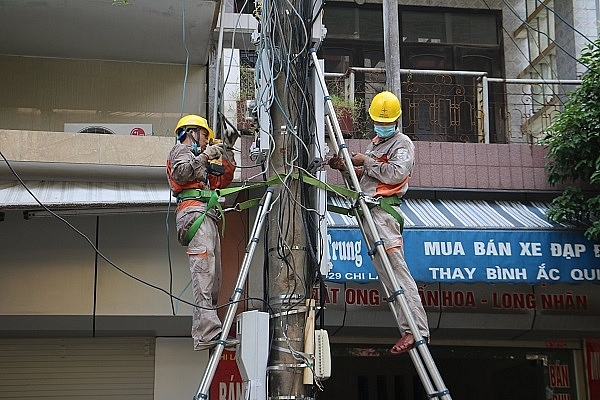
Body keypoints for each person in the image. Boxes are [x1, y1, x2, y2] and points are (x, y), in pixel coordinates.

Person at [328, 91, 429, 354]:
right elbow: (367, 182)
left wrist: (366, 161)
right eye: (378, 122)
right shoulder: (375, 144)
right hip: (369, 212)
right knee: (388, 277)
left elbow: (396, 174)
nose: (381, 127)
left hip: (384, 215)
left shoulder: (401, 144)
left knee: (397, 273)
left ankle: (416, 331)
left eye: (386, 123)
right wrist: (348, 168)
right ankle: (407, 328)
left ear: (395, 121)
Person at [166, 114, 237, 351]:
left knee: (213, 279)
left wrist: (226, 149)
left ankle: (208, 331)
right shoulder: (181, 151)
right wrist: (206, 156)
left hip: (206, 214)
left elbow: (223, 179)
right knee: (204, 274)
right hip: (194, 213)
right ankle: (207, 333)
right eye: (205, 135)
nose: (207, 141)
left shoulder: (199, 158)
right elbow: (182, 174)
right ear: (191, 132)